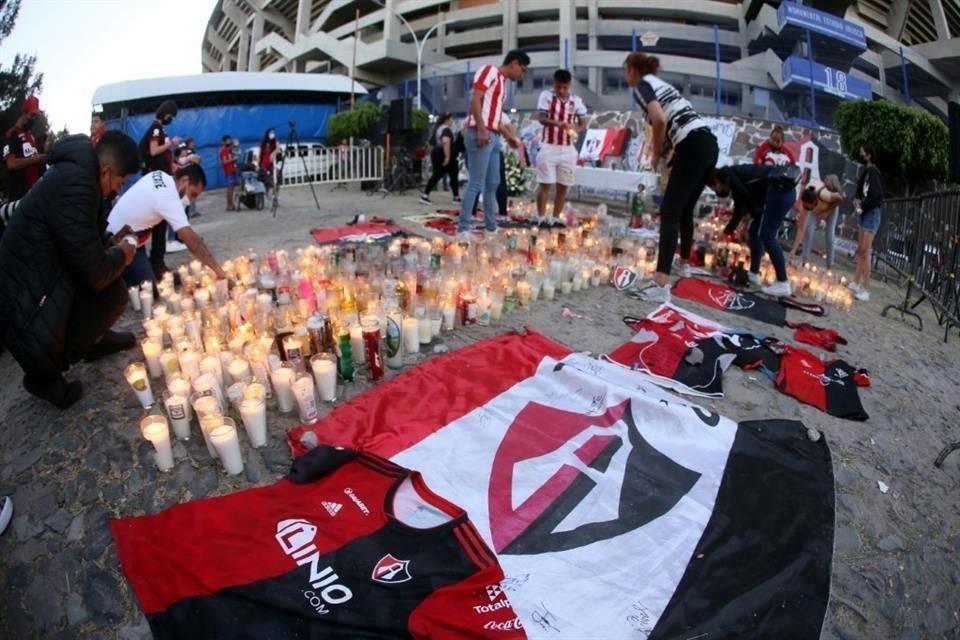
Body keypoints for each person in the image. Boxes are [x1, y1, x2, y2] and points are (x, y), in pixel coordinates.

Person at [0, 131, 140, 408]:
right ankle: (43, 377)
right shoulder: (76, 185)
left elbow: (81, 243)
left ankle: (94, 340)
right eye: (119, 183)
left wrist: (111, 243)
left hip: (41, 279)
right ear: (106, 171)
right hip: (24, 302)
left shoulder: (79, 175)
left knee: (111, 287)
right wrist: (123, 253)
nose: (117, 191)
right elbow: (94, 273)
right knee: (111, 290)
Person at [624, 53, 718, 301]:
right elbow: (672, 122)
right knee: (684, 210)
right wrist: (667, 152)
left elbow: (659, 119)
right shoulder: (663, 85)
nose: (627, 76)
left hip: (691, 145)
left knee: (669, 212)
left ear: (633, 69)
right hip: (708, 144)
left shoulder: (643, 85)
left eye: (626, 71)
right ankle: (684, 264)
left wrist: (655, 154)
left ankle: (660, 283)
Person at [108, 163, 228, 287]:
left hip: (130, 236)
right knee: (148, 288)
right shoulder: (168, 198)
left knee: (145, 280)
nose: (191, 201)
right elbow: (193, 242)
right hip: (119, 241)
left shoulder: (161, 175)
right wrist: (219, 271)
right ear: (184, 180)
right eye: (192, 194)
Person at [457, 49, 529, 240]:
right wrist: (481, 129)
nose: (521, 75)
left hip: (494, 135)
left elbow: (495, 118)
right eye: (522, 70)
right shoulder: (489, 71)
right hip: (481, 132)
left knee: (493, 183)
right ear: (514, 63)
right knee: (476, 182)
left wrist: (509, 137)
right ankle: (463, 229)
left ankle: (491, 226)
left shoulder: (502, 83)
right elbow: (475, 99)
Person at [710, 164, 795, 297]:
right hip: (779, 193)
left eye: (715, 188)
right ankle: (754, 273)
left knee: (767, 236)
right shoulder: (736, 175)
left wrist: (726, 232)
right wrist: (745, 222)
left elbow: (741, 206)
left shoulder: (732, 177)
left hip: (778, 193)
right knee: (755, 234)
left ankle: (782, 282)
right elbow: (752, 203)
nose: (717, 191)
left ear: (717, 181)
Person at [536, 69, 587, 227]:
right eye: (558, 87)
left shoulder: (576, 101)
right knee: (545, 184)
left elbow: (583, 123)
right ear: (554, 84)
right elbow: (541, 118)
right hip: (549, 146)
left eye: (565, 87)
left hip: (568, 148)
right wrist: (559, 124)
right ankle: (541, 218)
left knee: (563, 185)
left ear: (569, 85)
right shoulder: (546, 96)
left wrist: (575, 129)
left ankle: (556, 218)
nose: (561, 91)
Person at [138, 100, 181, 279]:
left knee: (160, 223)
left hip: (160, 178)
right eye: (171, 116)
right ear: (166, 114)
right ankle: (156, 262)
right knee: (159, 223)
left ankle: (157, 261)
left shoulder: (158, 128)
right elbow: (154, 150)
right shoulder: (156, 128)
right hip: (156, 182)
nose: (171, 119)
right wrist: (171, 144)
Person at [788, 174, 843, 267]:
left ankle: (829, 264)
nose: (807, 208)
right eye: (806, 208)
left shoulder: (825, 195)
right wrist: (793, 250)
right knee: (808, 231)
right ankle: (805, 259)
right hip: (816, 208)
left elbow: (840, 197)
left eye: (809, 207)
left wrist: (827, 211)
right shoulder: (806, 203)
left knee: (829, 235)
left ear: (814, 202)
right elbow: (801, 228)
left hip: (830, 208)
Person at [850, 145, 883, 302]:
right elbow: (860, 190)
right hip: (864, 212)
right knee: (861, 250)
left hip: (871, 213)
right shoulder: (865, 171)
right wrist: (857, 200)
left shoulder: (874, 173)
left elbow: (877, 196)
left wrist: (862, 205)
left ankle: (866, 289)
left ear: (869, 155)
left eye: (863, 152)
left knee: (866, 252)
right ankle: (856, 282)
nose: (860, 154)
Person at [3, 96, 48, 201]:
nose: (34, 119)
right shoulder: (12, 134)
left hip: (35, 194)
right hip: (19, 195)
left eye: (36, 117)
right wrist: (33, 160)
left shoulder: (31, 136)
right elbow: (11, 164)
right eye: (32, 115)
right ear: (24, 113)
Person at [420, 114, 460, 204]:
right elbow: (446, 142)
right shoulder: (446, 130)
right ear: (446, 120)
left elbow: (431, 144)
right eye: (451, 119)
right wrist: (447, 156)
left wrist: (429, 155)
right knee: (453, 175)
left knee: (437, 175)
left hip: (436, 153)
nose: (452, 120)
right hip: (444, 153)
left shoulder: (437, 129)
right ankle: (456, 197)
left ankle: (425, 195)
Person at [220, 134, 238, 211]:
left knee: (232, 188)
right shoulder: (223, 150)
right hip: (228, 171)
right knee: (229, 188)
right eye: (227, 141)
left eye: (229, 140)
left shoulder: (230, 150)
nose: (229, 142)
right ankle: (228, 205)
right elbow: (224, 162)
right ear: (224, 142)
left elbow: (234, 157)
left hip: (233, 170)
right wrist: (233, 159)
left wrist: (234, 159)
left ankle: (232, 204)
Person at [259, 128, 278, 195]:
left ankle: (274, 194)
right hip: (264, 164)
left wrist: (273, 153)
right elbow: (260, 154)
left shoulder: (275, 141)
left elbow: (278, 148)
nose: (272, 134)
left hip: (272, 164)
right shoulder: (263, 143)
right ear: (267, 133)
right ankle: (266, 192)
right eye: (271, 133)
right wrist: (259, 164)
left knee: (274, 179)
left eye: (273, 132)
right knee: (266, 180)